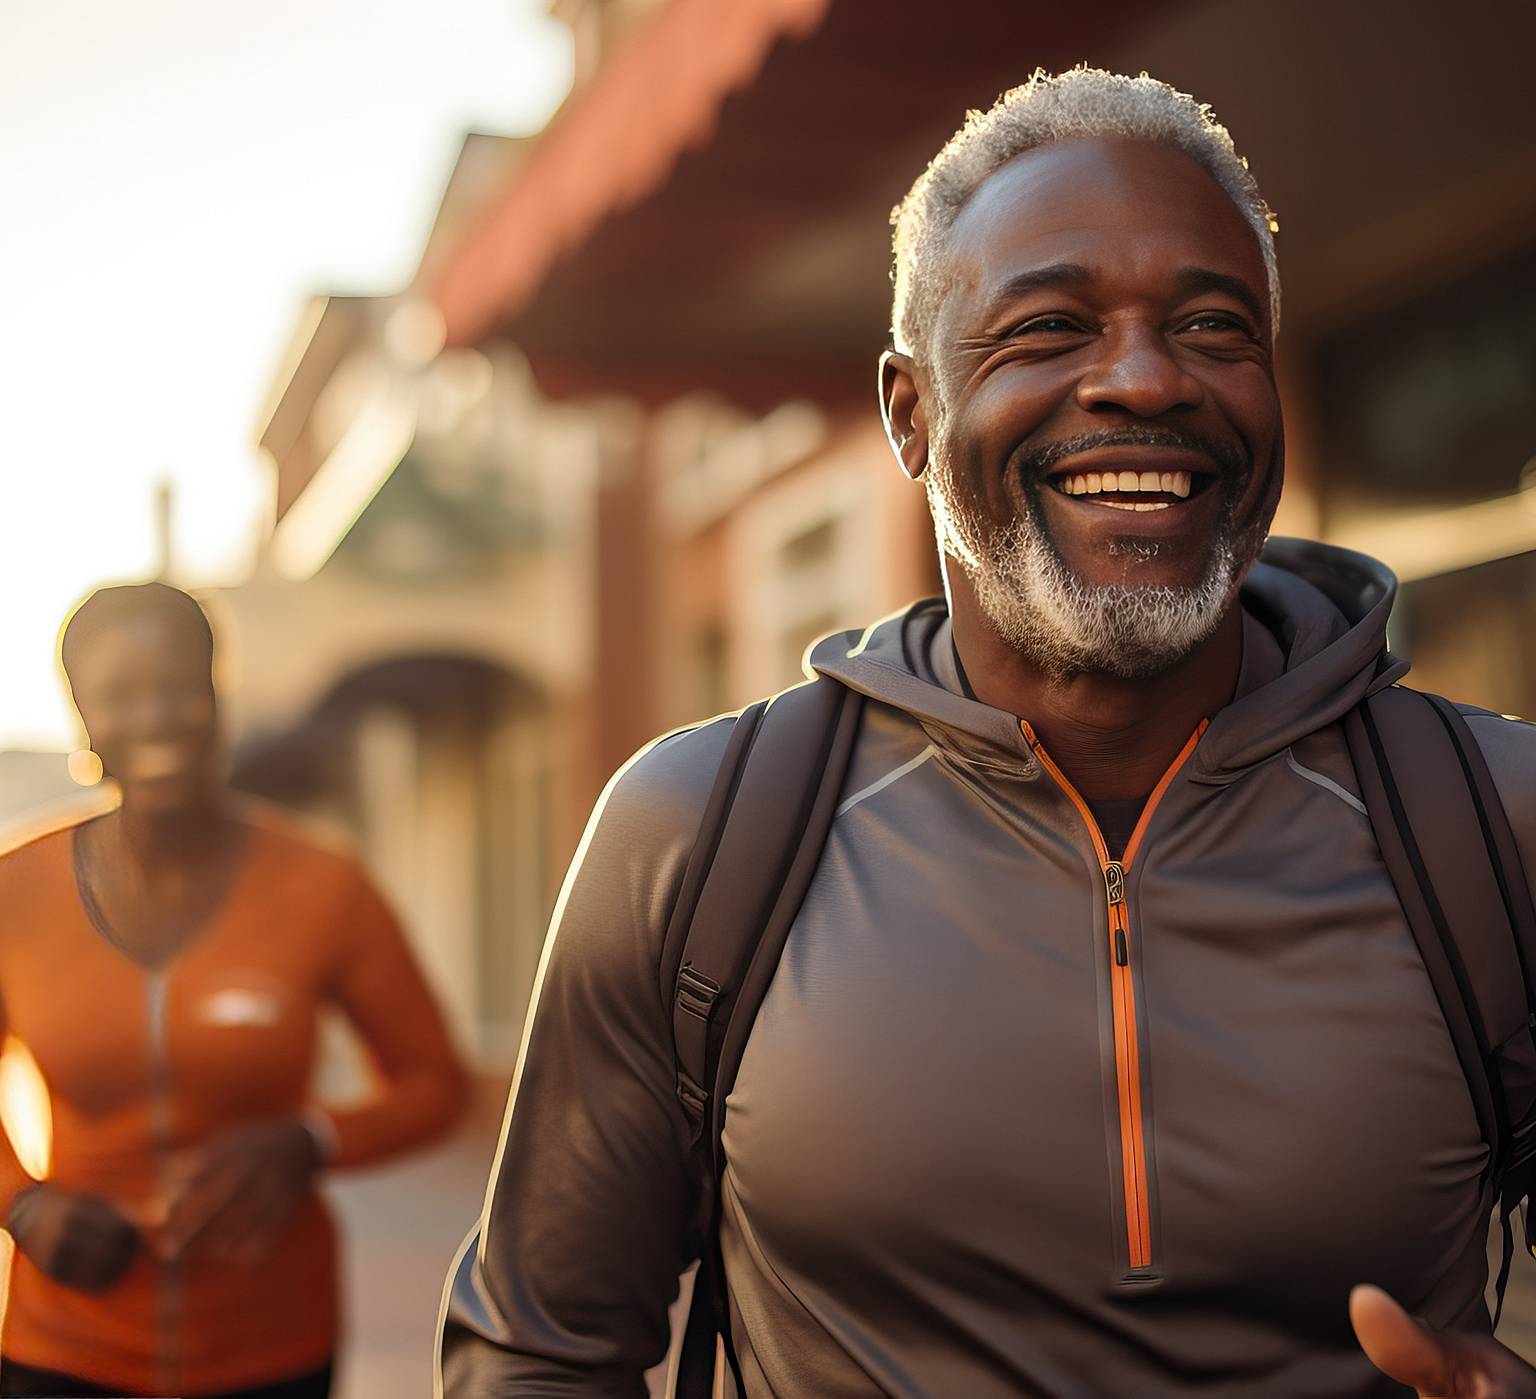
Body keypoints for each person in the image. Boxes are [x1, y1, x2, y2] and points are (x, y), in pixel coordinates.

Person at [437, 68, 1536, 1397]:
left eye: (1212, 324)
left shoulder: (1494, 821)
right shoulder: (701, 837)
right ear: (910, 413)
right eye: (1050, 326)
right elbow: (538, 1353)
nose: (1144, 379)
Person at [0, 581, 468, 1398]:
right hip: (63, 1343)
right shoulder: (15, 887)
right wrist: (22, 1205)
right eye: (119, 695)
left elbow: (436, 1084)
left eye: (181, 686)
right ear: (83, 720)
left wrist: (309, 1139)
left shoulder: (324, 883)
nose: (157, 718)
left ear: (218, 698)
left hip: (270, 1345)